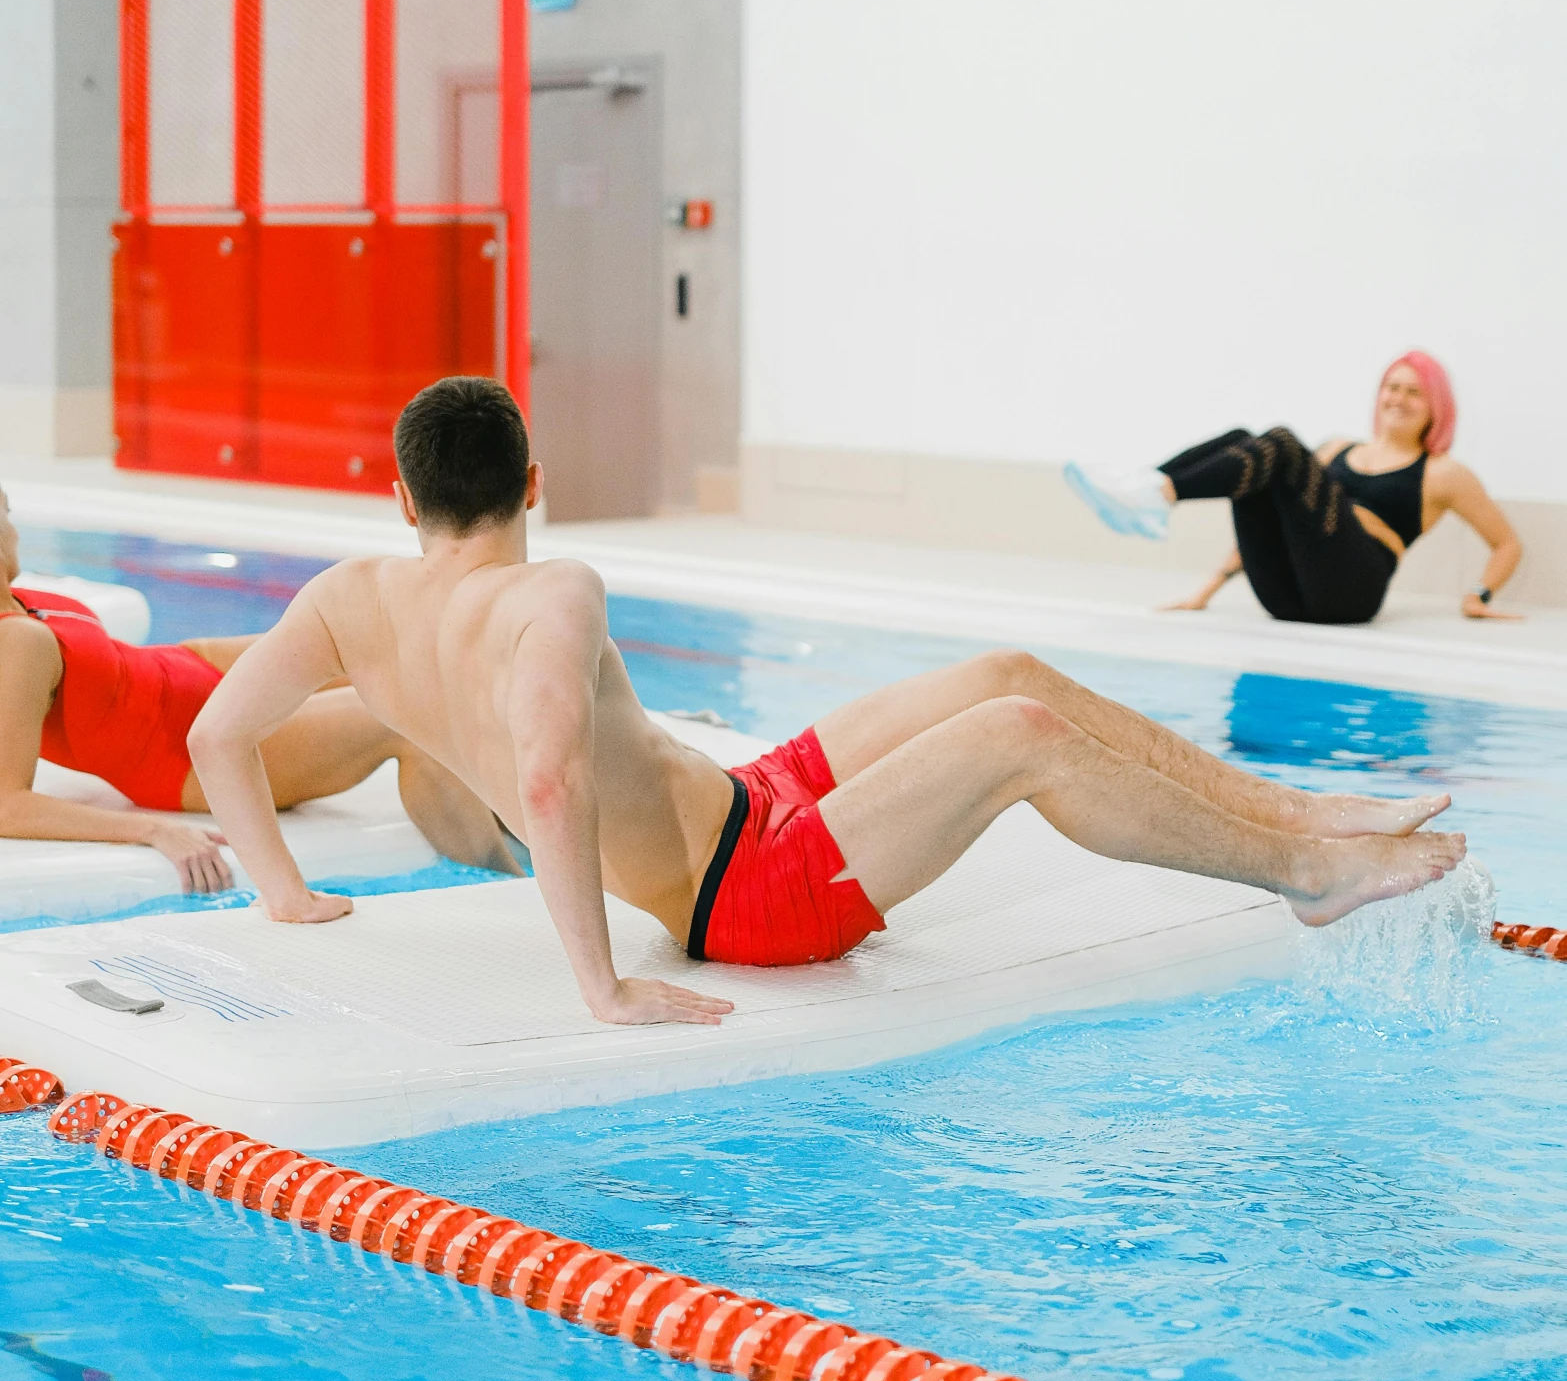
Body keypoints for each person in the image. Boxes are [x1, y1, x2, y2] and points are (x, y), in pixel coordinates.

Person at [188, 378, 1467, 1032]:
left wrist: (281, 889)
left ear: (404, 501)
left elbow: (218, 734)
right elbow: (544, 780)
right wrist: (603, 987)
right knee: (1018, 740)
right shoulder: (552, 589)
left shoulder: (347, 598)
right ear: (534, 480)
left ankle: (1303, 807)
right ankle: (1300, 865)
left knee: (1003, 675)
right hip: (743, 895)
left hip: (750, 804)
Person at [0, 485, 519, 896]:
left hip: (191, 669)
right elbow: (7, 805)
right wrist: (153, 831)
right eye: (7, 514)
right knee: (402, 721)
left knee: (389, 651)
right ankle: (512, 887)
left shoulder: (27, 602)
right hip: (183, 751)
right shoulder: (14, 643)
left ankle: (519, 819)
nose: (14, 528)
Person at [1064, 353, 1522, 628]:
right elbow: (1272, 508)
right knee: (1249, 441)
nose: (1398, 399)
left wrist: (1477, 597)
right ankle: (1147, 487)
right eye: (1392, 387)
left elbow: (1506, 543)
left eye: (1413, 393)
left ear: (1435, 407)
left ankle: (1154, 491)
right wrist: (1206, 591)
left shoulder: (1443, 473)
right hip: (1285, 595)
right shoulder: (1337, 448)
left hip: (1351, 595)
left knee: (1279, 442)